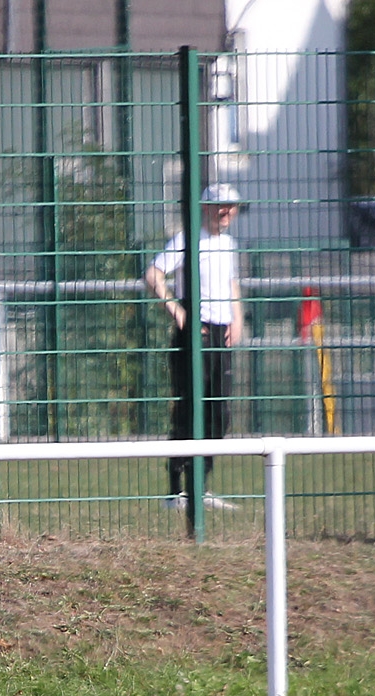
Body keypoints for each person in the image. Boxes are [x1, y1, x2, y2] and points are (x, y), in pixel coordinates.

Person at [144, 183, 245, 512]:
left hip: (220, 335)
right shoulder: (188, 240)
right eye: (219, 206)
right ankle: (177, 490)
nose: (226, 212)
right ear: (205, 208)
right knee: (189, 411)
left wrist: (237, 318)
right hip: (194, 335)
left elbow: (231, 285)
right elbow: (154, 274)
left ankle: (200, 486)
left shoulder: (229, 244)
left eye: (231, 206)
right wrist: (179, 312)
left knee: (219, 413)